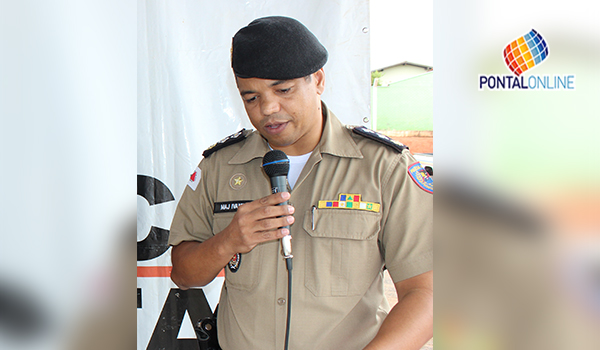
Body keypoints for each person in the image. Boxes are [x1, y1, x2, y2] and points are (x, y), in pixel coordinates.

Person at [169, 16, 433, 350]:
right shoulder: (220, 167)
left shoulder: (384, 167)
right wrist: (228, 241)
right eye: (251, 97)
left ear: (318, 79)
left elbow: (427, 293)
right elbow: (184, 274)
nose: (268, 108)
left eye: (283, 90)